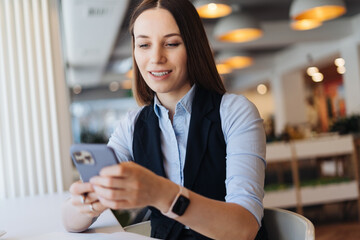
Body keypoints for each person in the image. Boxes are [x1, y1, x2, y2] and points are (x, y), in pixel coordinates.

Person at [62, 0, 267, 239]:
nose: (156, 57)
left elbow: (244, 227)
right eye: (144, 45)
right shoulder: (132, 125)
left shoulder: (235, 112)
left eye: (171, 43)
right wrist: (90, 203)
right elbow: (69, 220)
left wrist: (160, 193)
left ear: (193, 46)